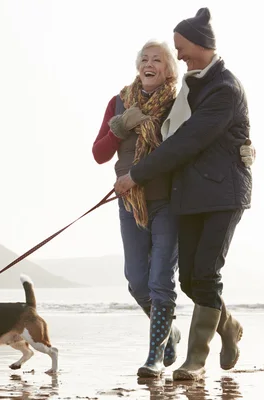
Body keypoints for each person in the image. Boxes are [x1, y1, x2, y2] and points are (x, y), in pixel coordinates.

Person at [114, 8, 253, 381]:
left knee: (205, 274)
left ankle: (195, 360)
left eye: (182, 48)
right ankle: (229, 326)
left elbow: (188, 142)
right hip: (189, 195)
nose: (180, 56)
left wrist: (136, 174)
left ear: (202, 46)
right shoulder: (192, 86)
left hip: (223, 194)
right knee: (190, 281)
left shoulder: (224, 89)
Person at [92, 39, 182, 378]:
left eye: (157, 59)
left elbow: (185, 149)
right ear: (137, 66)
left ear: (169, 70)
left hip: (169, 203)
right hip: (129, 202)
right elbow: (100, 154)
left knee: (161, 280)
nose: (150, 63)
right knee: (136, 281)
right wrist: (120, 127)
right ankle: (169, 332)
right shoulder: (118, 103)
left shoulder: (178, 104)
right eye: (144, 58)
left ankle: (154, 358)